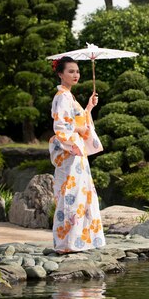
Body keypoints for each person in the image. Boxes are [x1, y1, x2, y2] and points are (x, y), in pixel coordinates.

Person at [49, 56, 105, 253]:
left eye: (77, 71)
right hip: (70, 152)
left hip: (76, 153)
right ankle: (68, 243)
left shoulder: (69, 96)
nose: (75, 75)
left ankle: (77, 241)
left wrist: (89, 107)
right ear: (60, 74)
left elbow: (79, 123)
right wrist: (79, 129)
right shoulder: (62, 97)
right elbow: (61, 126)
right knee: (70, 195)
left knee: (80, 195)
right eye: (71, 71)